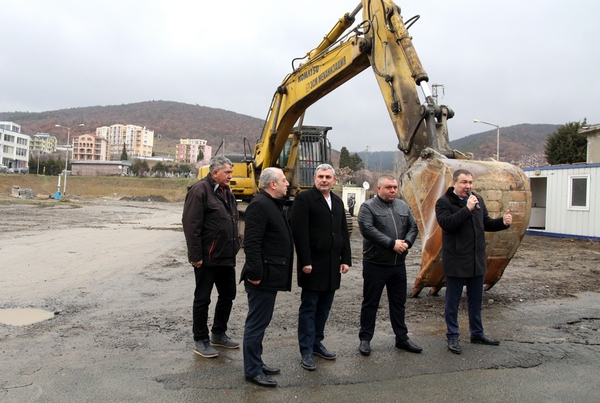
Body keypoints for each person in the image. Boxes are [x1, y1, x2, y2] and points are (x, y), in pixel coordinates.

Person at [435, 169, 512, 355]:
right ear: (454, 183)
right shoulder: (444, 202)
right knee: (452, 302)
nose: (468, 186)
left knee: (475, 301)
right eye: (463, 182)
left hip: (476, 260)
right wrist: (467, 209)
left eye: (470, 182)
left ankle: (477, 333)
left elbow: (485, 223)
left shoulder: (477, 199)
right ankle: (452, 336)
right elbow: (447, 224)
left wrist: (503, 222)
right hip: (456, 260)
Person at [290, 163, 351, 371]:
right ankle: (306, 350)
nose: (324, 180)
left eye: (328, 177)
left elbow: (343, 232)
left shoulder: (337, 201)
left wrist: (346, 259)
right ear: (314, 178)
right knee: (309, 308)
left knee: (324, 308)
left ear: (334, 180)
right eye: (320, 176)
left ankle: (317, 343)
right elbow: (300, 233)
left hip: (333, 264)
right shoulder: (304, 200)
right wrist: (305, 261)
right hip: (313, 265)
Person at [182, 155, 240, 358]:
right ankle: (201, 339)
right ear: (215, 173)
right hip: (207, 258)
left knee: (228, 295)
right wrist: (195, 256)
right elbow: (191, 225)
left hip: (225, 256)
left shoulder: (226, 191)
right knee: (202, 299)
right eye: (228, 172)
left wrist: (236, 246)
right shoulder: (200, 190)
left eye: (231, 172)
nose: (231, 176)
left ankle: (218, 333)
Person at [357, 174, 422, 356]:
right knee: (371, 303)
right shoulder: (367, 207)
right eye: (388, 187)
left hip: (398, 265)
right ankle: (365, 339)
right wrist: (392, 243)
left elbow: (413, 227)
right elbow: (368, 230)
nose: (393, 190)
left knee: (399, 303)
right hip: (375, 264)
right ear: (378, 189)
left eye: (394, 187)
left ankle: (402, 338)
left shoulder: (402, 205)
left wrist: (407, 243)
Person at [241, 167, 294, 388]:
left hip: (270, 274)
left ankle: (257, 362)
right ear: (272, 184)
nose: (287, 183)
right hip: (261, 276)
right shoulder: (260, 206)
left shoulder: (272, 204)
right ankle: (252, 371)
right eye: (284, 180)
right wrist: (254, 274)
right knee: (256, 324)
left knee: (261, 323)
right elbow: (251, 243)